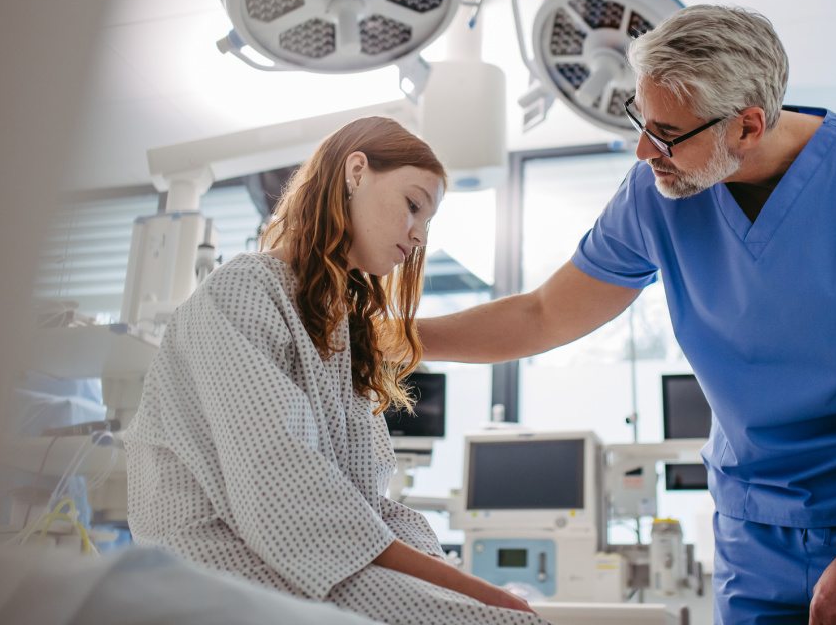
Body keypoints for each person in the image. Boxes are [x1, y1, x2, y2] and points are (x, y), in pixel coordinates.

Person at [418, 6, 836, 625]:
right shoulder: (655, 197)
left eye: (665, 131)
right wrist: (394, 340)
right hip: (755, 526)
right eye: (640, 118)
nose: (642, 149)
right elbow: (543, 315)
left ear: (747, 127)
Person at [126, 116, 543, 625]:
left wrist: (447, 573)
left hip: (306, 566)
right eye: (413, 206)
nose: (417, 236)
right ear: (356, 171)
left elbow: (370, 504)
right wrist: (469, 589)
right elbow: (285, 491)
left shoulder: (337, 327)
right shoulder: (243, 291)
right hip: (224, 567)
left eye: (427, 223)